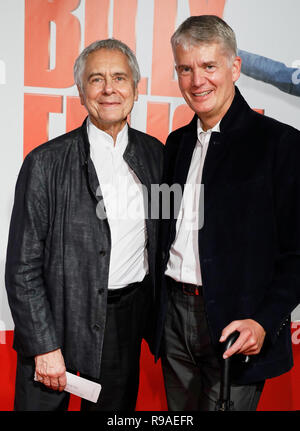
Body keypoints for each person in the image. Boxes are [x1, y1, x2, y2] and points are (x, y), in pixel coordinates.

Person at [5, 38, 163, 411]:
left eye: (120, 78)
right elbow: (22, 267)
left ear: (135, 90)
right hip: (56, 322)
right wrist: (43, 345)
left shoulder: (156, 156)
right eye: (96, 79)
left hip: (122, 327)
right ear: (80, 92)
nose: (109, 88)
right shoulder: (44, 163)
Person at [155, 15, 300, 411]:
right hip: (173, 320)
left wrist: (264, 320)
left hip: (238, 324)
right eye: (186, 69)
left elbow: (296, 252)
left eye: (208, 66)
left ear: (235, 67)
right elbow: (162, 230)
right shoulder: (177, 143)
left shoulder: (280, 145)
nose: (197, 81)